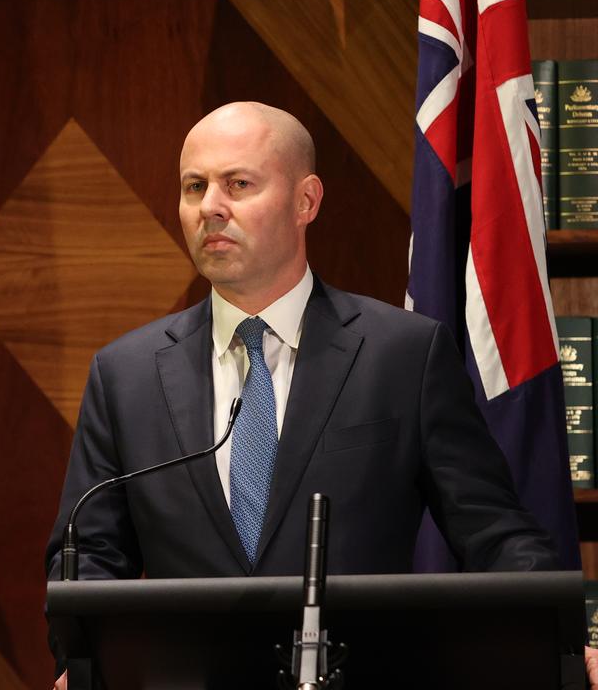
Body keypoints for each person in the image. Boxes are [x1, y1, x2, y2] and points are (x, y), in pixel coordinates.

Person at [44, 102, 568, 688]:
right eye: (195, 187)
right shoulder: (126, 374)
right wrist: (81, 659)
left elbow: (495, 533)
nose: (210, 207)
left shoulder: (403, 356)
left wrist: (565, 643)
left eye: (238, 184)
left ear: (306, 201)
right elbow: (87, 553)